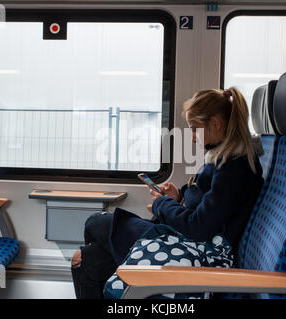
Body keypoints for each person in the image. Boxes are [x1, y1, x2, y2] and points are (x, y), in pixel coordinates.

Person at [71, 88, 264, 299]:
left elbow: (199, 227)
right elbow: (210, 206)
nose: (192, 139)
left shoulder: (234, 168)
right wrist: (179, 198)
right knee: (85, 259)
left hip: (197, 250)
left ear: (216, 124)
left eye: (194, 130)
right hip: (186, 239)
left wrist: (162, 204)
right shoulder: (223, 159)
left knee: (95, 222)